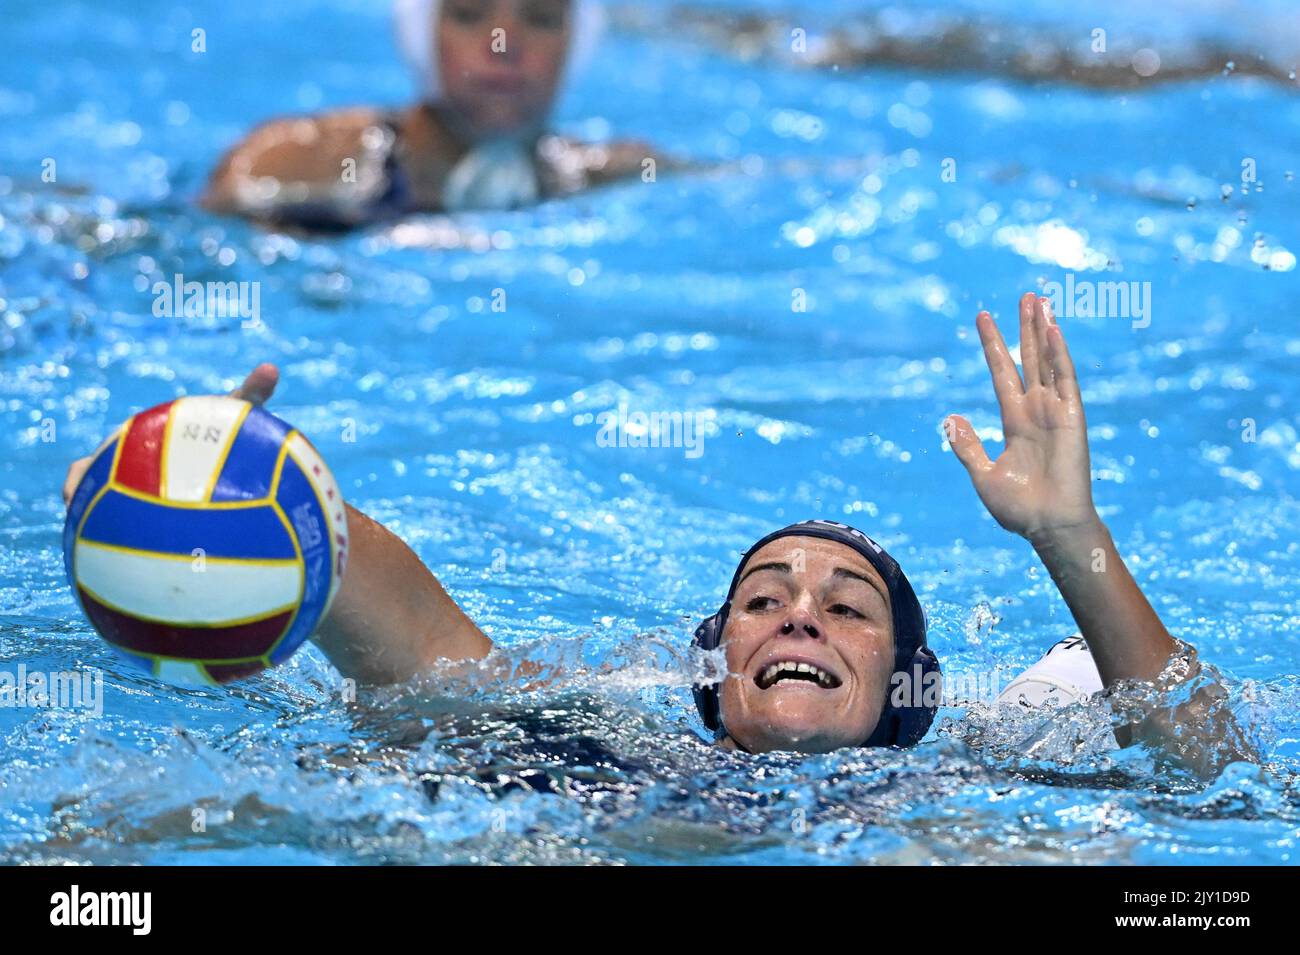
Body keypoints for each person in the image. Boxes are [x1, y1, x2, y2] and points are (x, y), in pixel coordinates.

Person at [60, 294, 1256, 776]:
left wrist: (1070, 535)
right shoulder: (602, 744)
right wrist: (237, 492)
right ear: (711, 656)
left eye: (847, 605)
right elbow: (405, 642)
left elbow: (1211, 772)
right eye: (764, 597)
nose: (799, 609)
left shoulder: (985, 760)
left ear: (906, 682)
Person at [201, 0, 660, 228]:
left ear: (576, 45)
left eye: (540, 18)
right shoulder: (295, 159)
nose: (503, 43)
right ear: (422, 31)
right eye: (468, 14)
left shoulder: (607, 177)